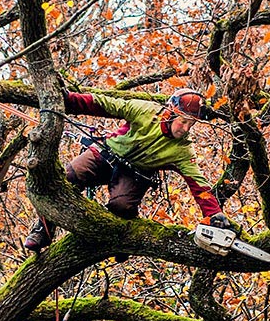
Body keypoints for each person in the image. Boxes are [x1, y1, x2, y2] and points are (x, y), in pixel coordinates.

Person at [23, 87, 235, 252]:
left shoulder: (182, 150)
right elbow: (105, 104)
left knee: (121, 208)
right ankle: (43, 229)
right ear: (170, 113)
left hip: (133, 175)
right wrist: (70, 100)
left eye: (192, 124)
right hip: (104, 155)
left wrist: (214, 213)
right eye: (183, 122)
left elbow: (198, 184)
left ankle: (119, 239)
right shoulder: (145, 111)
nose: (186, 129)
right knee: (68, 176)